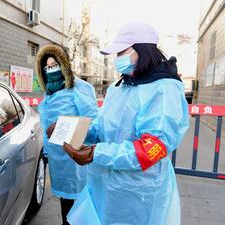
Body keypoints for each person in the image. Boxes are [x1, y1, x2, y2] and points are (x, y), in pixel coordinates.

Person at [60, 22, 190, 225]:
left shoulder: (164, 90)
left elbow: (152, 149)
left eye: (122, 51)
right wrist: (70, 129)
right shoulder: (118, 87)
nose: (117, 58)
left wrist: (96, 153)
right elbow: (102, 128)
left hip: (137, 195)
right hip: (103, 186)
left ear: (142, 50)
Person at [35, 44, 98, 225]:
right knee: (66, 208)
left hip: (77, 159)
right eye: (46, 67)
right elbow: (46, 126)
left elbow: (93, 123)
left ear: (64, 64)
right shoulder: (50, 92)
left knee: (80, 209)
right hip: (58, 161)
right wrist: (46, 153)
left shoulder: (80, 88)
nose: (50, 70)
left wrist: (63, 126)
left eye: (54, 65)